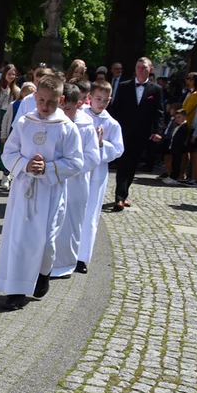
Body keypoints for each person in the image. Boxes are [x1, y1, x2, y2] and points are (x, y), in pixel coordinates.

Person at [0, 74, 83, 309]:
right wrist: (25, 164)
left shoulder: (68, 128)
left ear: (61, 100)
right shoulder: (24, 122)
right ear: (35, 97)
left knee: (46, 242)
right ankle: (16, 289)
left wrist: (49, 168)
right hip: (24, 190)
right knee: (19, 240)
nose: (45, 106)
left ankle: (43, 274)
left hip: (50, 192)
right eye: (41, 100)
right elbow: (8, 153)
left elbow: (76, 162)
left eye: (51, 102)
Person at [50, 81, 100, 278]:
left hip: (75, 182)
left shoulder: (85, 126)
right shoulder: (54, 121)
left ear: (78, 105)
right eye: (61, 108)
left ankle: (65, 264)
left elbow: (93, 157)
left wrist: (71, 166)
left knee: (70, 222)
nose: (64, 113)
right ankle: (47, 262)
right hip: (54, 178)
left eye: (68, 109)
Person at [77, 81, 124, 274]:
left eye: (105, 100)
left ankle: (82, 256)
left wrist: (102, 144)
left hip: (97, 171)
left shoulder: (111, 123)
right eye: (98, 99)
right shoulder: (81, 116)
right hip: (79, 169)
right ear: (90, 97)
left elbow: (119, 149)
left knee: (91, 212)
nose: (101, 103)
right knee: (73, 208)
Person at [110, 57, 165, 210]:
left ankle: (124, 194)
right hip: (124, 131)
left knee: (133, 164)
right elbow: (116, 109)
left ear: (150, 70)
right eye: (138, 67)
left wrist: (158, 131)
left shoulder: (156, 89)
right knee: (123, 163)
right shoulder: (124, 86)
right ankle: (119, 197)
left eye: (144, 67)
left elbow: (159, 112)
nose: (141, 70)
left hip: (142, 132)